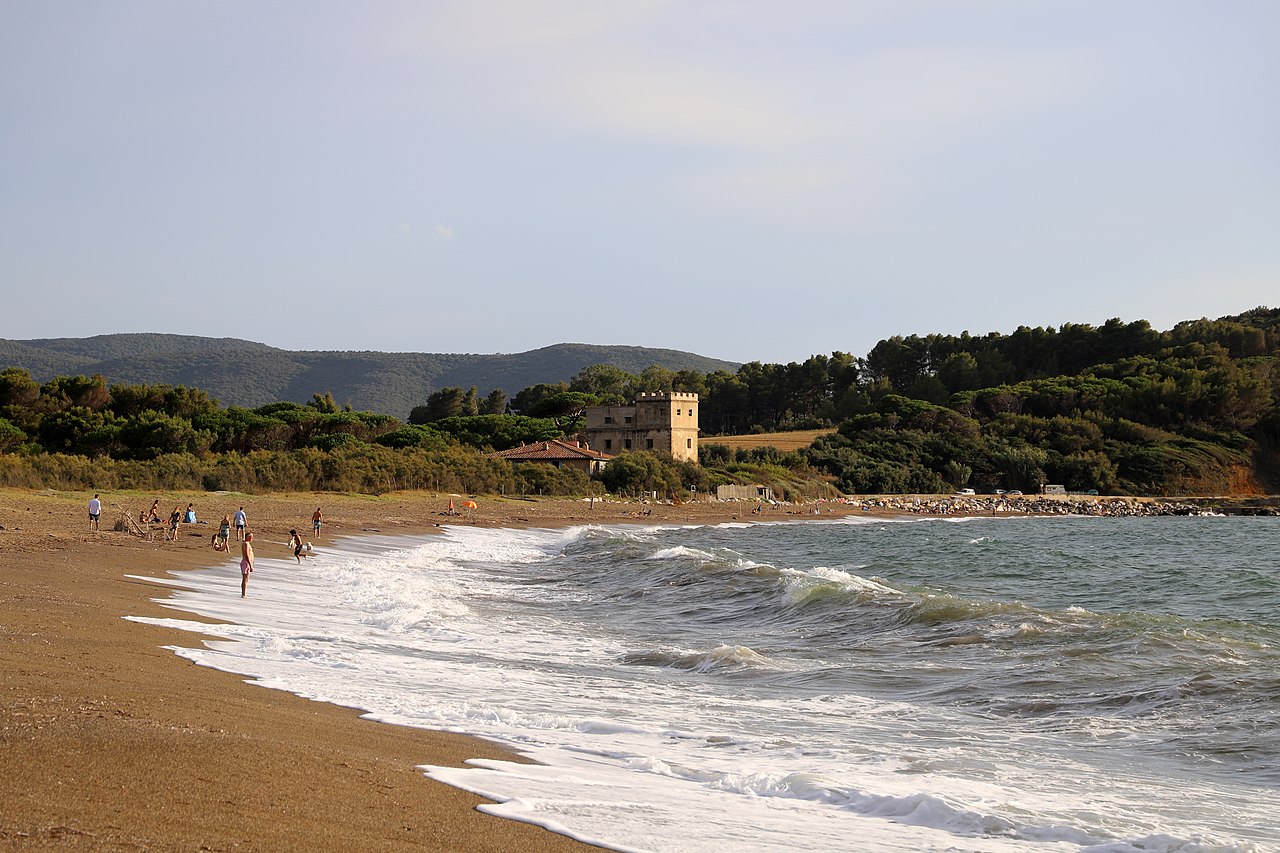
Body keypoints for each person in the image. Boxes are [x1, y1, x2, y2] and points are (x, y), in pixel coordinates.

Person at [240, 533, 254, 597]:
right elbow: (247, 555)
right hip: (246, 562)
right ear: (248, 537)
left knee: (246, 579)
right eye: (251, 537)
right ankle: (243, 594)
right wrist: (250, 565)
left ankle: (244, 593)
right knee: (245, 579)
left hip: (247, 562)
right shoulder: (246, 544)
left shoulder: (247, 543)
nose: (252, 538)